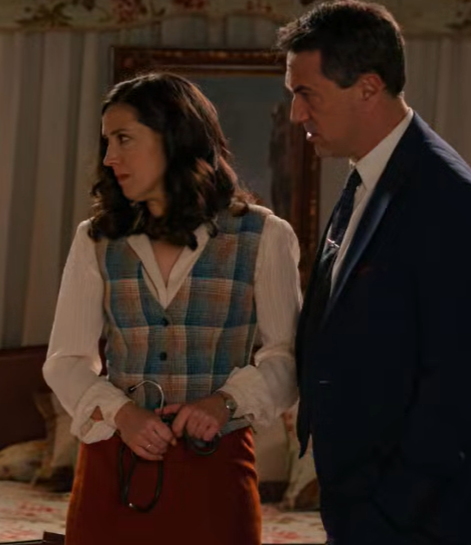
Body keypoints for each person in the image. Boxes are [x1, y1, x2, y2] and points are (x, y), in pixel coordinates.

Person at [276, 2, 471, 544]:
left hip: (410, 518)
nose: (295, 114)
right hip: (359, 500)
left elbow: (456, 390)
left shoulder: (446, 197)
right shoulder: (368, 176)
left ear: (368, 87)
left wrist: (385, 513)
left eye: (306, 94)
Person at [43, 72, 301, 545]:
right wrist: (122, 414)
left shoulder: (265, 236)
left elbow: (286, 358)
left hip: (216, 473)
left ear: (174, 137)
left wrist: (224, 403)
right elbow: (66, 360)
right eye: (106, 142)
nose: (109, 157)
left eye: (124, 139)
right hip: (114, 470)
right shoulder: (96, 239)